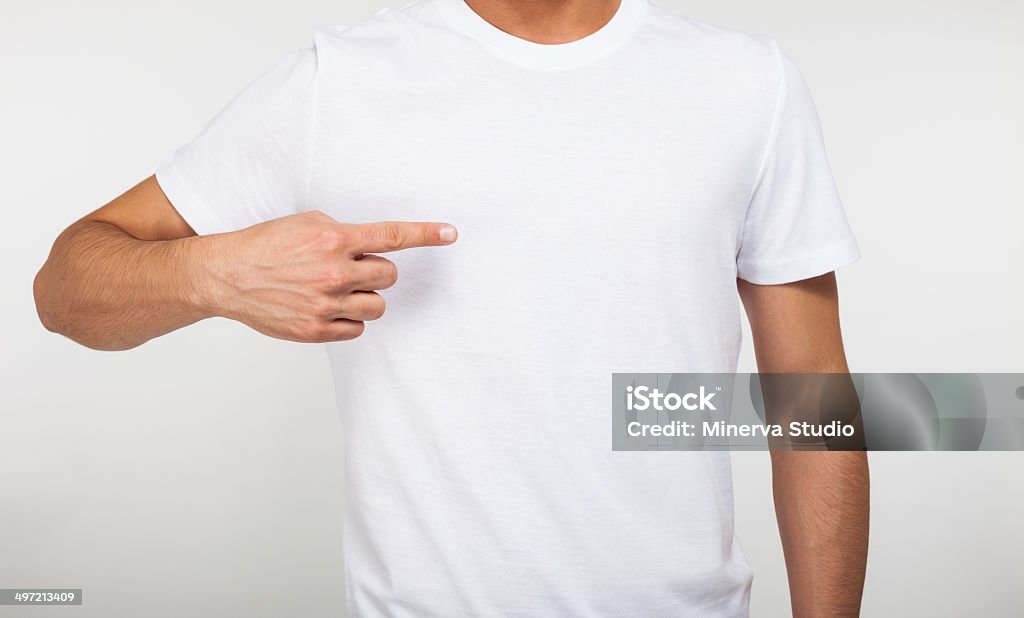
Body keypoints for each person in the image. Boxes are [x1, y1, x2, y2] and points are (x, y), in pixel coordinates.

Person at [33, 0, 869, 615]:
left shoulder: (747, 84)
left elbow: (814, 400)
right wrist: (212, 274)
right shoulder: (339, 81)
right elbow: (64, 289)